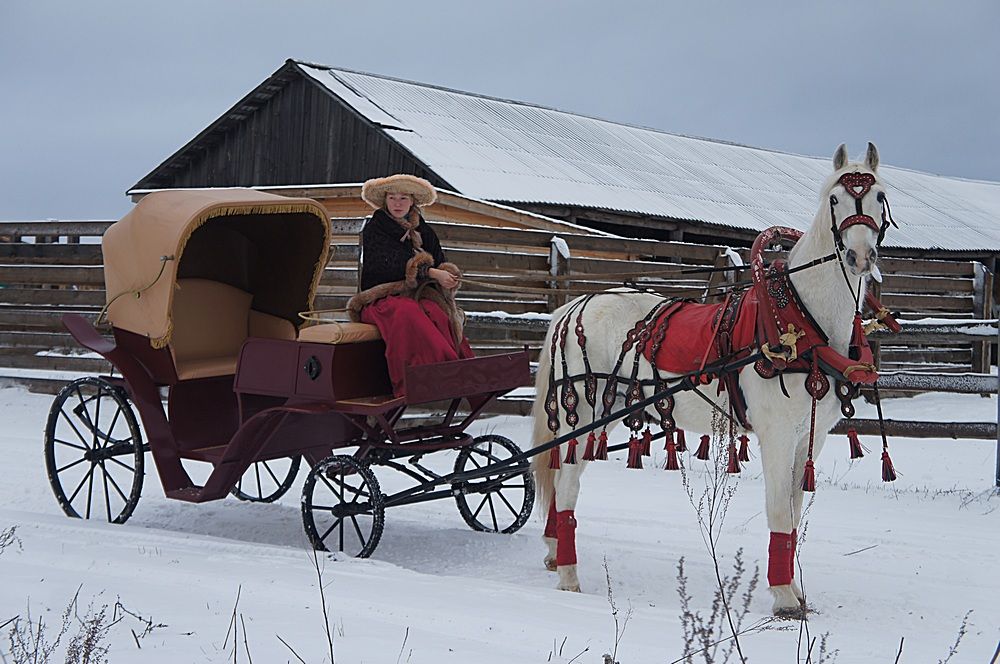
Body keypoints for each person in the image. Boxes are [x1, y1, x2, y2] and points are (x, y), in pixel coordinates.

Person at [347, 174, 475, 397]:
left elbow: (438, 257)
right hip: (380, 300)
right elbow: (387, 265)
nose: (397, 203)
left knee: (437, 311)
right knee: (407, 313)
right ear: (385, 200)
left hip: (415, 297)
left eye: (403, 198)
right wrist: (430, 271)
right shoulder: (375, 228)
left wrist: (447, 275)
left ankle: (465, 374)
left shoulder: (424, 230)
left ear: (412, 201)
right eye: (392, 197)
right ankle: (425, 377)